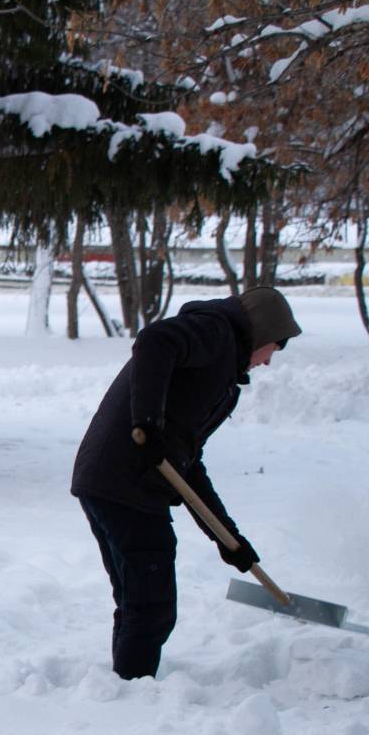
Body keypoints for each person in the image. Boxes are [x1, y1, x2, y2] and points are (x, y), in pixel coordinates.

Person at [71, 286, 303, 680]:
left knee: (137, 601)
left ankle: (124, 688)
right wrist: (146, 422)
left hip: (110, 478)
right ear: (263, 333)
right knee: (152, 607)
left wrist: (229, 540)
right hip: (125, 481)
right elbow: (155, 341)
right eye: (273, 350)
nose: (267, 362)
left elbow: (186, 465)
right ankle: (132, 690)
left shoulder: (221, 371)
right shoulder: (215, 332)